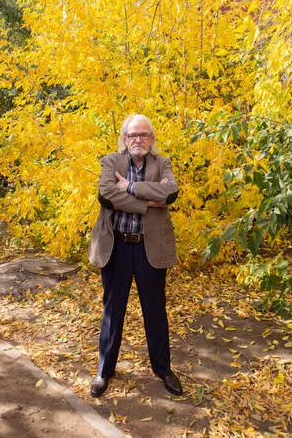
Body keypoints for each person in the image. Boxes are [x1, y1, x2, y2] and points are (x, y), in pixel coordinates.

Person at [88, 113, 182, 398]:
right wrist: (148, 202)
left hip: (149, 248)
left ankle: (163, 369)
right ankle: (105, 370)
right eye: (132, 135)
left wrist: (129, 187)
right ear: (124, 139)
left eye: (143, 135)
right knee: (112, 312)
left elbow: (170, 193)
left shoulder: (162, 163)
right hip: (117, 247)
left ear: (151, 139)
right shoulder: (111, 161)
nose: (138, 139)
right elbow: (106, 194)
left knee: (155, 311)